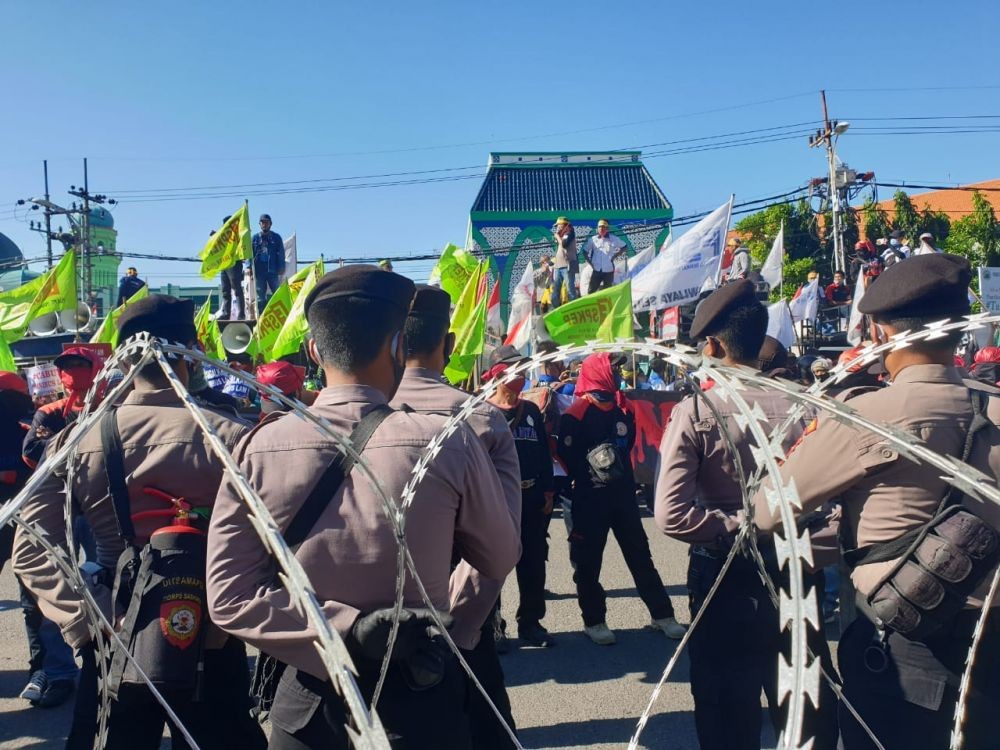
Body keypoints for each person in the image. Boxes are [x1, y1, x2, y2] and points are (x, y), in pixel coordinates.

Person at [206, 266, 520, 750]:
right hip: (421, 693)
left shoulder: (259, 447)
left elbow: (229, 596)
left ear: (314, 350)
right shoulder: (447, 441)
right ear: (398, 346)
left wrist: (346, 630)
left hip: (310, 699)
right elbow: (499, 555)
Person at [753, 253, 1000, 750]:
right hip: (990, 639)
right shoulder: (992, 405)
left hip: (901, 650)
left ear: (883, 334)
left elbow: (769, 508)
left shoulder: (864, 414)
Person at [12, 295, 266, 750]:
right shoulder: (231, 436)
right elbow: (271, 543)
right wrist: (234, 618)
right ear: (190, 353)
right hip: (210, 633)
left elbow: (31, 547)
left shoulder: (80, 439)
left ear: (124, 359)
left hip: (114, 633)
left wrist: (83, 623)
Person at [655, 280, 838, 750]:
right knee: (802, 709)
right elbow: (837, 501)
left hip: (725, 576)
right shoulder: (807, 407)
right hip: (796, 568)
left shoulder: (699, 410)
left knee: (726, 710)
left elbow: (671, 514)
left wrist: (737, 525)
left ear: (713, 345)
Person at [390, 286, 522, 749]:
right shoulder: (482, 420)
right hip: (460, 622)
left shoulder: (347, 415)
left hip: (368, 628)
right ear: (447, 344)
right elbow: (500, 547)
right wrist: (458, 629)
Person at [556, 352, 685, 645]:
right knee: (587, 565)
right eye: (614, 369)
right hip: (589, 501)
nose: (619, 373)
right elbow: (564, 454)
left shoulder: (623, 410)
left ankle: (663, 616)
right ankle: (595, 621)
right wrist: (586, 475)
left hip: (624, 498)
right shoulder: (575, 414)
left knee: (641, 556)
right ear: (598, 372)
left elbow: (627, 449)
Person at [483, 346, 556, 649]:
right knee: (491, 567)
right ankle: (492, 626)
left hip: (531, 498)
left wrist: (548, 493)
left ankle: (531, 622)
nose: (521, 377)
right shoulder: (482, 413)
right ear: (499, 374)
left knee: (533, 563)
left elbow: (543, 454)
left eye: (523, 371)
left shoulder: (531, 413)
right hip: (497, 503)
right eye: (515, 370)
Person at [22, 346, 105, 469]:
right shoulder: (48, 412)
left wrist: (53, 440)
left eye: (80, 364)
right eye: (68, 366)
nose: (73, 370)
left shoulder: (110, 407)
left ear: (96, 368)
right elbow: (30, 452)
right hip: (62, 483)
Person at [249, 214, 286, 313]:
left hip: (272, 270)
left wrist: (282, 267)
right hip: (259, 271)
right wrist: (249, 268)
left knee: (277, 293)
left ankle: (277, 314)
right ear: (259, 224)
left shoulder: (276, 238)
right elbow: (249, 254)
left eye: (267, 222)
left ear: (270, 224)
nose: (264, 224)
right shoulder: (255, 238)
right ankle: (262, 316)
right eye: (263, 222)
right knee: (260, 296)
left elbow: (281, 253)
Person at [581, 219, 626, 293]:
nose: (601, 229)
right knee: (591, 291)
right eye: (599, 227)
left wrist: (615, 256)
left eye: (603, 227)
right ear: (597, 228)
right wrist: (590, 263)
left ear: (607, 229)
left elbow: (624, 246)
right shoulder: (592, 239)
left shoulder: (613, 239)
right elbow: (585, 251)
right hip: (596, 270)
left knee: (607, 292)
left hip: (609, 270)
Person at [214, 218, 246, 320]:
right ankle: (226, 313)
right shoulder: (222, 236)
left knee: (236, 288)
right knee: (225, 291)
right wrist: (214, 236)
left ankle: (241, 314)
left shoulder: (238, 236)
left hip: (234, 264)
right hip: (224, 265)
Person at [551, 217, 579, 307]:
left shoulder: (570, 233)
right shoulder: (562, 235)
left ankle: (573, 308)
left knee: (570, 289)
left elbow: (564, 244)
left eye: (558, 225)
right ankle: (555, 309)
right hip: (558, 266)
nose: (557, 227)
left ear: (564, 225)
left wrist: (557, 236)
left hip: (568, 265)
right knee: (555, 290)